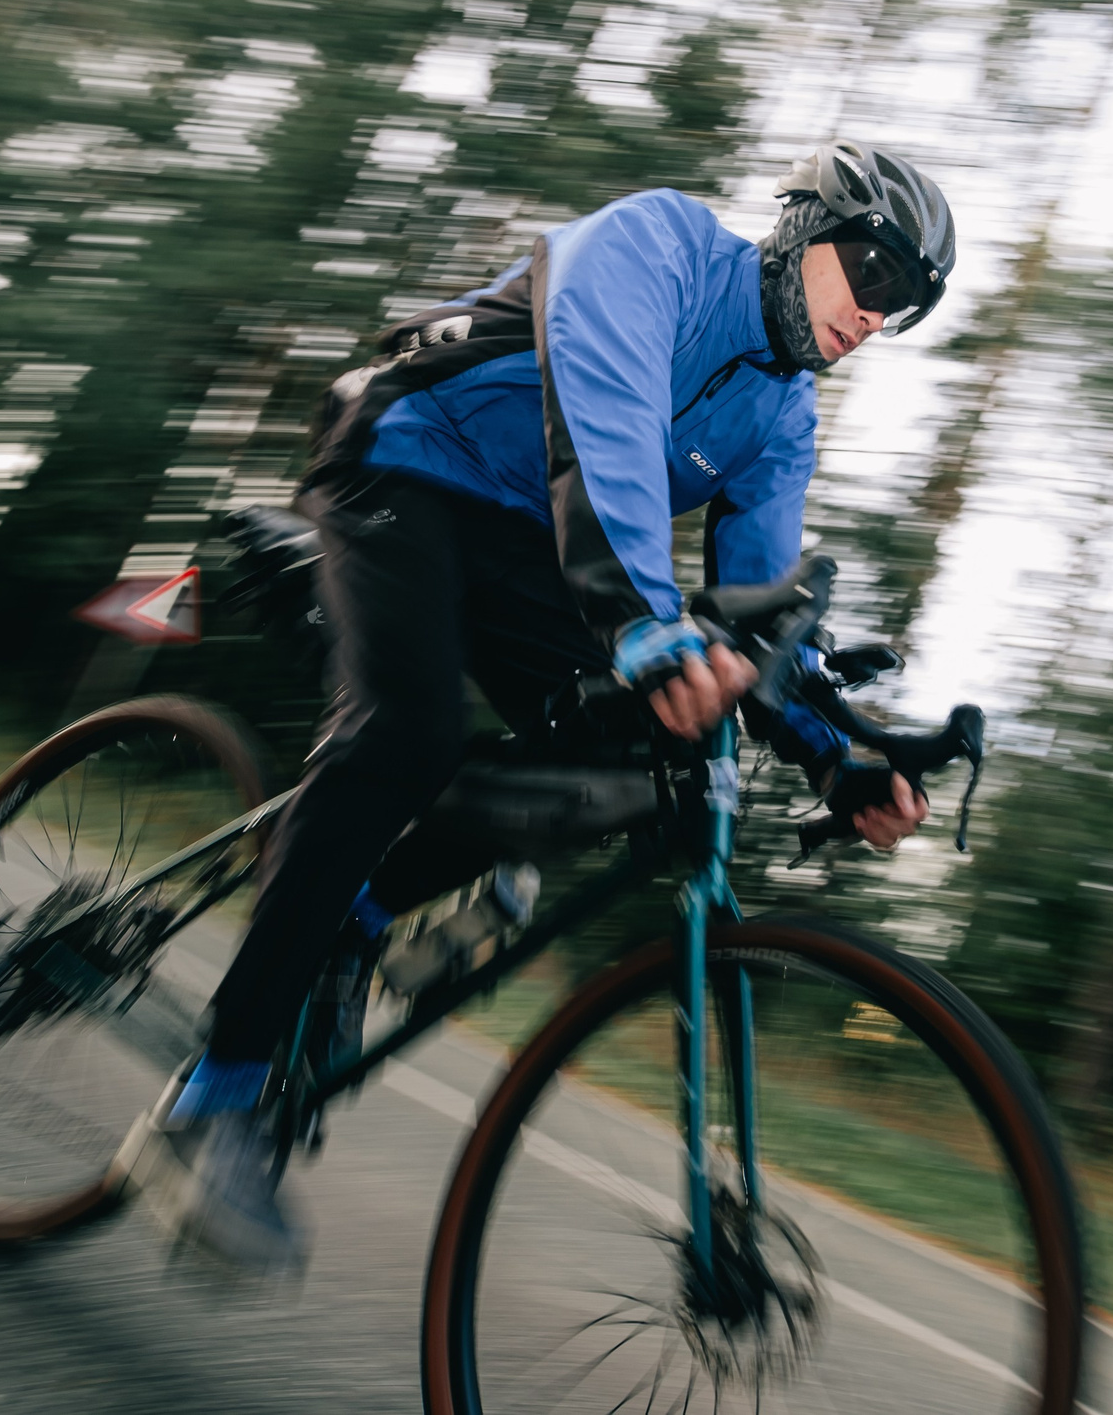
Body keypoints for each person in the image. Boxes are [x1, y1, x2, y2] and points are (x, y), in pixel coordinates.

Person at [135, 139, 958, 1269]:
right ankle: (211, 1097)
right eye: (871, 276)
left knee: (645, 756)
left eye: (902, 307)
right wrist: (647, 623)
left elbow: (756, 614)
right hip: (406, 458)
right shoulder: (657, 245)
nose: (874, 316)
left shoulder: (782, 415)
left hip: (531, 545)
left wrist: (837, 757)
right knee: (410, 732)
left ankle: (357, 920)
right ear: (805, 227)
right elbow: (607, 417)